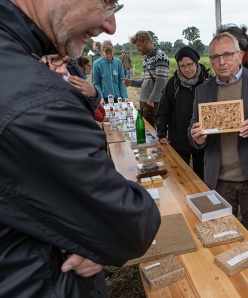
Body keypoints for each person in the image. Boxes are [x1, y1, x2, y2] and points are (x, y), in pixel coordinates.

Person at [0, 1, 161, 297]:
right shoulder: (37, 97)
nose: (110, 25)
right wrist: (91, 235)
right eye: (107, 3)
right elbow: (128, 225)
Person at [188, 32, 248, 237]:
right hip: (219, 179)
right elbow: (193, 126)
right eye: (215, 57)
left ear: (240, 55)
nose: (222, 62)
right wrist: (196, 138)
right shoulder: (202, 90)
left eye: (228, 54)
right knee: (221, 234)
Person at [156, 47, 211, 180]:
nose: (187, 69)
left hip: (203, 140)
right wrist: (162, 132)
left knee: (202, 178)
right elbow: (163, 110)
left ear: (196, 62)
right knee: (180, 178)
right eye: (183, 66)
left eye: (190, 64)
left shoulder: (209, 82)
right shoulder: (173, 83)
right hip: (179, 139)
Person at [123, 31, 169, 128]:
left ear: (146, 42)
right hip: (145, 101)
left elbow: (161, 81)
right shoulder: (146, 59)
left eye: (139, 45)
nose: (137, 49)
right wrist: (132, 82)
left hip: (154, 102)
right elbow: (145, 81)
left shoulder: (160, 56)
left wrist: (151, 99)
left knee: (154, 131)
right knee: (146, 131)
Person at [76, 56, 107, 122]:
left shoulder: (82, 79)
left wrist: (104, 113)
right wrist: (102, 118)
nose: (91, 68)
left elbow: (94, 100)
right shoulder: (79, 83)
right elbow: (89, 103)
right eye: (88, 65)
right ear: (81, 67)